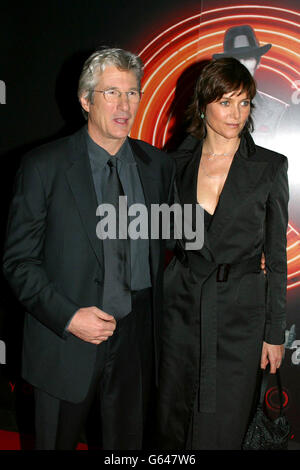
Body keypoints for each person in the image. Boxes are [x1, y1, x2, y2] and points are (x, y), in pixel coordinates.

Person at [3, 48, 175, 450]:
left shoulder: (157, 167)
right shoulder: (43, 166)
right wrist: (68, 317)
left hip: (135, 343)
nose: (124, 105)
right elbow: (18, 262)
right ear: (85, 100)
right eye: (111, 93)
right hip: (67, 341)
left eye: (132, 93)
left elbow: (175, 240)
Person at [157, 57, 289, 450]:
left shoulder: (268, 166)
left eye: (244, 102)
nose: (236, 113)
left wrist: (274, 331)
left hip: (239, 313)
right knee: (173, 418)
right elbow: (160, 236)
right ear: (203, 104)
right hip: (180, 304)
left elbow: (277, 257)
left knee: (224, 425)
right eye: (225, 102)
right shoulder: (173, 164)